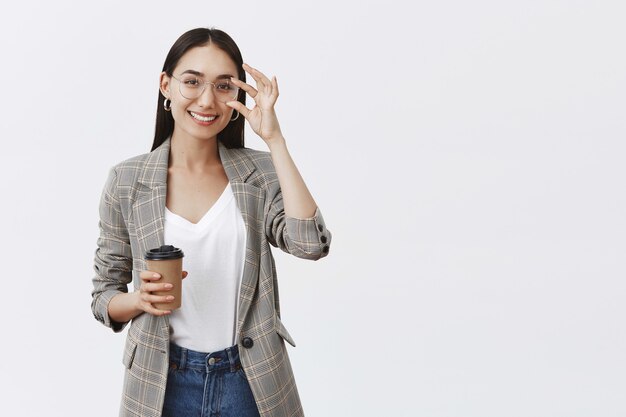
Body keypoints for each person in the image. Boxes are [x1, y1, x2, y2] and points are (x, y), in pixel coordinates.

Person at [91, 27, 331, 417]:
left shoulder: (259, 173)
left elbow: (310, 244)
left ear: (238, 94)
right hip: (162, 382)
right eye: (192, 82)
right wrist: (139, 300)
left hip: (251, 378)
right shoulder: (127, 181)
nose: (207, 100)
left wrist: (275, 141)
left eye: (223, 86)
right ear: (165, 85)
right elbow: (104, 296)